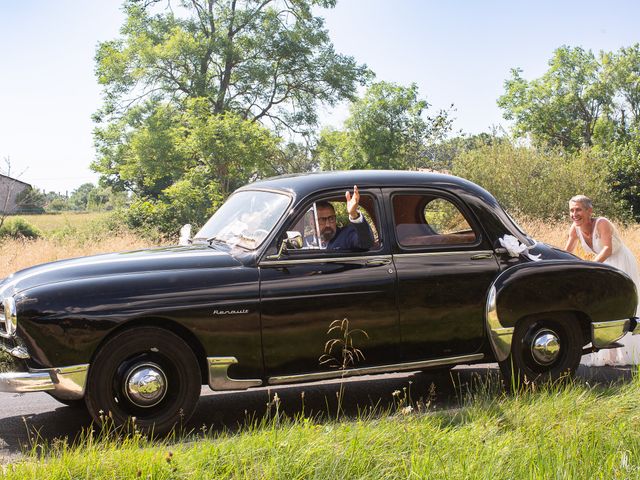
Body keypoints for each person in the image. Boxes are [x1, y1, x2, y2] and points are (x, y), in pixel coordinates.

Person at [564, 194, 640, 366]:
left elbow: (607, 248)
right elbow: (567, 252)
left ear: (589, 211)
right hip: (602, 265)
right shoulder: (574, 228)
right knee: (604, 306)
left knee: (620, 305)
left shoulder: (602, 223)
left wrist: (592, 266)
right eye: (571, 210)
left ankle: (627, 351)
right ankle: (609, 354)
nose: (574, 214)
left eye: (578, 210)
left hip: (620, 262)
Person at [314, 185, 373, 251]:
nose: (328, 224)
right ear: (312, 222)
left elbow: (366, 243)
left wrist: (354, 215)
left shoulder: (346, 235)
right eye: (322, 220)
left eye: (331, 219)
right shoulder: (305, 241)